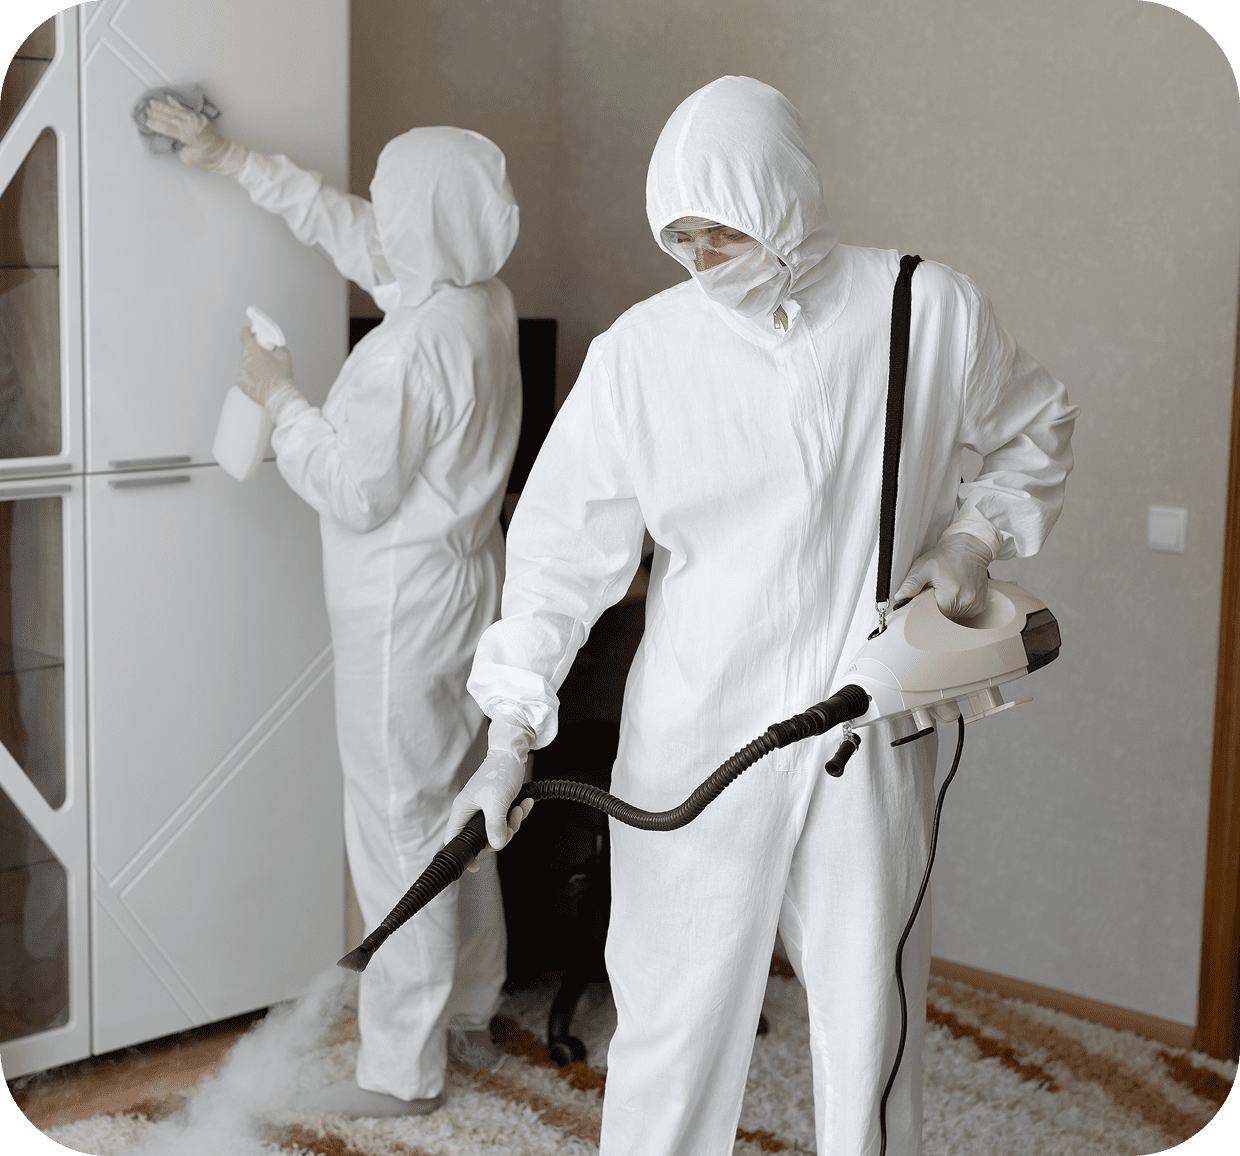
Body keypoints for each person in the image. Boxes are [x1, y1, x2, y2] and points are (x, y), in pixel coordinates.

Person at [448, 76, 1078, 1155]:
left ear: (783, 198)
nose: (702, 261)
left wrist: (972, 540)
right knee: (672, 1032)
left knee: (871, 1030)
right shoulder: (642, 353)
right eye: (680, 238)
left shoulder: (923, 309)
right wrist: (510, 734)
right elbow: (557, 560)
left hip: (865, 734)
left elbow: (1038, 426)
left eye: (723, 232)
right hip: (697, 740)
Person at [144, 98, 527, 1118]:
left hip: (401, 614)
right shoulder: (479, 300)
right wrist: (230, 157)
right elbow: (348, 227)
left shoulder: (408, 349)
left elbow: (353, 489)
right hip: (466, 594)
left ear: (423, 221)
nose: (381, 217)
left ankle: (400, 1071)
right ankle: (467, 1006)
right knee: (462, 809)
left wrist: (278, 396)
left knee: (399, 830)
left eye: (395, 204)